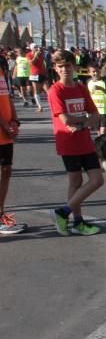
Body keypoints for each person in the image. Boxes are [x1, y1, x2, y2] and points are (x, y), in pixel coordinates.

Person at [47, 50, 104, 236]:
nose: (65, 69)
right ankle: (78, 222)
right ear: (55, 68)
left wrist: (83, 123)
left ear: (74, 67)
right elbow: (64, 119)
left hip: (84, 140)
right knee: (76, 181)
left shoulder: (80, 88)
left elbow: (95, 114)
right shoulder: (55, 90)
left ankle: (63, 212)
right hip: (67, 141)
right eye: (61, 66)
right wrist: (83, 122)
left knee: (97, 180)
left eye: (68, 66)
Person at [0, 62, 26, 234]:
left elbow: (7, 97)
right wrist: (6, 126)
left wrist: (15, 121)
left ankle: (1, 213)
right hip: (2, 130)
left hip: (5, 132)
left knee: (6, 170)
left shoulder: (1, 70)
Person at [87, 64, 106, 135]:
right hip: (95, 110)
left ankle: (104, 145)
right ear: (89, 73)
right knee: (98, 131)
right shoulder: (88, 82)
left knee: (103, 131)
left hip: (105, 110)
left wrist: (101, 88)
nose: (96, 73)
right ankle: (101, 145)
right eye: (93, 71)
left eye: (97, 71)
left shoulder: (105, 81)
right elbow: (88, 95)